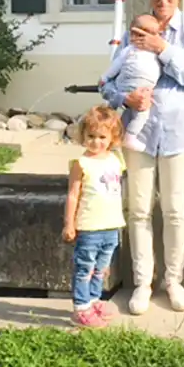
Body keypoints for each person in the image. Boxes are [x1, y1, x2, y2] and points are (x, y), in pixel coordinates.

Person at [100, 0, 184, 316]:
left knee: (175, 208)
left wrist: (163, 48)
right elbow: (109, 81)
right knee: (139, 208)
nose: (163, 2)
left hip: (179, 130)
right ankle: (142, 281)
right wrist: (123, 98)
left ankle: (173, 280)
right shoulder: (135, 28)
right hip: (140, 131)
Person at [62, 105, 126, 328]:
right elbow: (73, 195)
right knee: (85, 268)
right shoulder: (81, 164)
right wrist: (69, 223)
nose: (96, 142)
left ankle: (94, 299)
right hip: (89, 227)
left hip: (111, 226)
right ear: (83, 136)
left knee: (102, 268)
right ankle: (81, 307)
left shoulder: (116, 160)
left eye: (102, 136)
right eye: (91, 136)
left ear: (112, 138)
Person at [99, 14, 163, 152]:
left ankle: (115, 134)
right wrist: (105, 77)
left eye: (152, 34)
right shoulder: (129, 50)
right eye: (138, 34)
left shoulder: (157, 51)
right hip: (128, 84)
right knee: (141, 112)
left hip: (143, 87)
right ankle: (130, 136)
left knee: (132, 111)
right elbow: (116, 65)